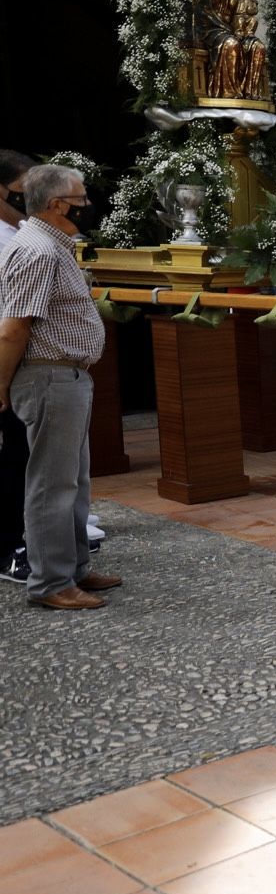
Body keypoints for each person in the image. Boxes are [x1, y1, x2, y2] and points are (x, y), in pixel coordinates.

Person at [0, 165, 119, 609]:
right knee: (52, 484)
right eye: (82, 199)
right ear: (57, 204)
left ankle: (75, 569)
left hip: (67, 375)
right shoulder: (38, 251)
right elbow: (14, 329)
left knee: (73, 480)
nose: (88, 206)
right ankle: (51, 583)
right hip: (48, 375)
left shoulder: (51, 245)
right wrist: (2, 384)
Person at [0, 150, 32, 585]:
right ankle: (9, 547)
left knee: (22, 456)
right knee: (12, 458)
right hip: (8, 359)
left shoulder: (18, 231)